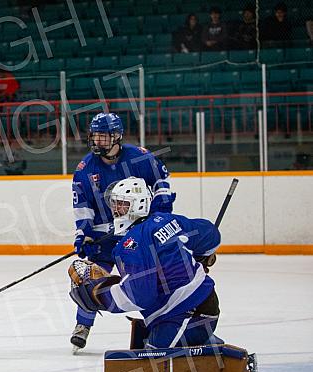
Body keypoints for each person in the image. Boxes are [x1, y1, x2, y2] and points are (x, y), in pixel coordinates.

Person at [69, 177, 224, 351]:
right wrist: (204, 255)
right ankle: (206, 340)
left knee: (153, 365)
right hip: (195, 304)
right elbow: (210, 233)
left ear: (139, 205)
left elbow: (139, 296)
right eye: (114, 204)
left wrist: (99, 296)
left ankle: (213, 349)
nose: (116, 210)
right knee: (151, 353)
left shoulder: (131, 245)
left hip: (188, 312)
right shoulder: (165, 220)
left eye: (122, 204)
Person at [70, 112, 174, 351]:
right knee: (91, 277)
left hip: (136, 233)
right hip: (103, 237)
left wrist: (161, 209)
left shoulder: (140, 157)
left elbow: (161, 182)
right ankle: (82, 325)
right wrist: (83, 234)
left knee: (145, 280)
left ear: (116, 137)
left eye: (103, 137)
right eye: (95, 136)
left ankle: (157, 325)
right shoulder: (85, 168)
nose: (97, 142)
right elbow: (82, 205)